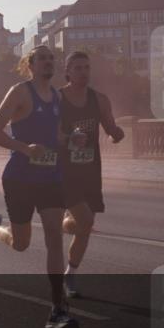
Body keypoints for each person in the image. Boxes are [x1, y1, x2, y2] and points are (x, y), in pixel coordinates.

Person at [0, 45, 80, 328]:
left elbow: (56, 135)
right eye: (42, 59)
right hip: (20, 178)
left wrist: (72, 139)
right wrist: (24, 148)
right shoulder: (20, 92)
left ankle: (58, 308)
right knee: (21, 243)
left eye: (51, 59)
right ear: (30, 65)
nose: (48, 62)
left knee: (54, 238)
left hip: (51, 177)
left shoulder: (57, 96)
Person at [59, 51, 125, 298]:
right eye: (77, 68)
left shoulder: (99, 100)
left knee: (83, 226)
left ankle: (70, 272)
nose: (83, 72)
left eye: (86, 67)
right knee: (85, 221)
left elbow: (110, 128)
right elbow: (49, 133)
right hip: (63, 170)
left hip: (90, 170)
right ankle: (68, 276)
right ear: (67, 71)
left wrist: (116, 134)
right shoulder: (57, 99)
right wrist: (69, 139)